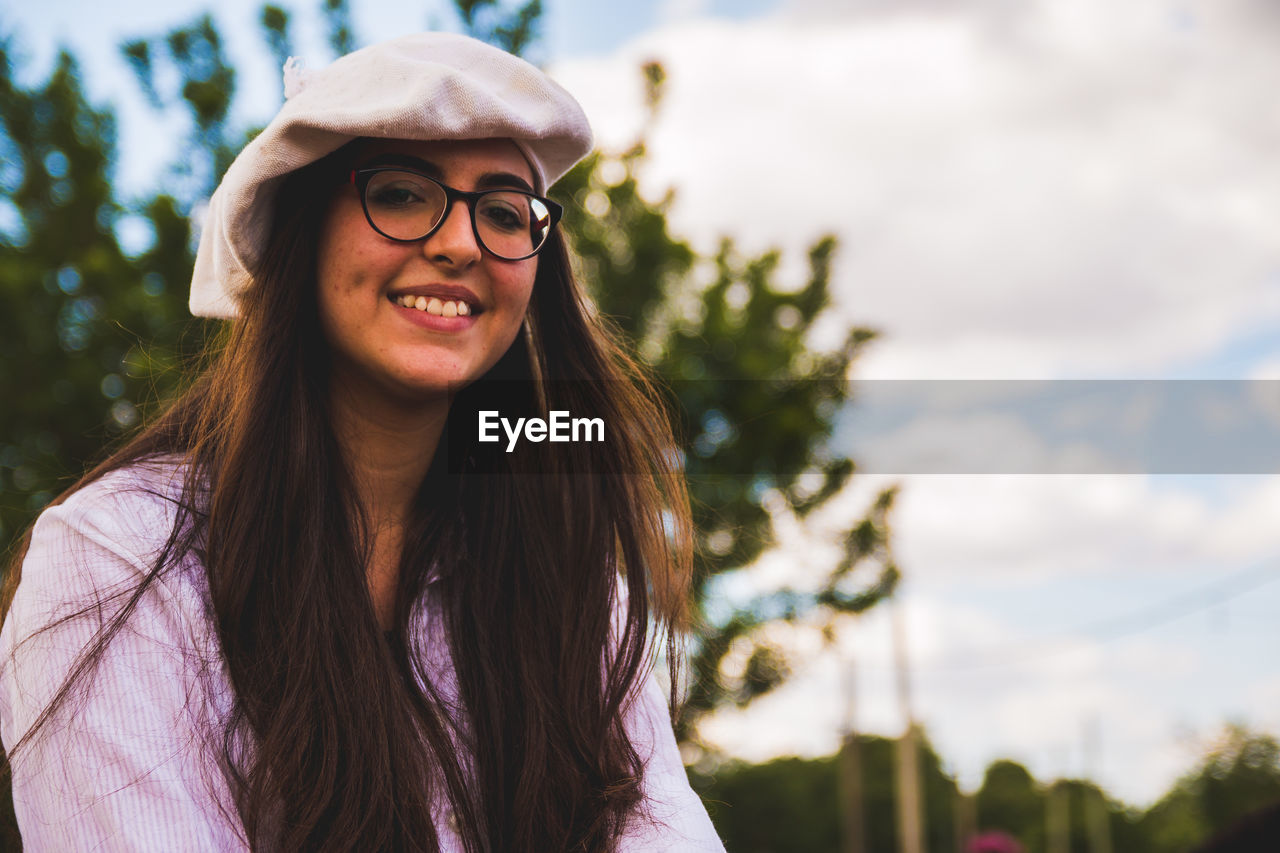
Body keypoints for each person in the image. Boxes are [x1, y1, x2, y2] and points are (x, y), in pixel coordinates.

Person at [0, 32, 724, 852]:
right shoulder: (120, 558)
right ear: (299, 235)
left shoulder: (569, 576)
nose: (459, 243)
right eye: (403, 193)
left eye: (501, 211)